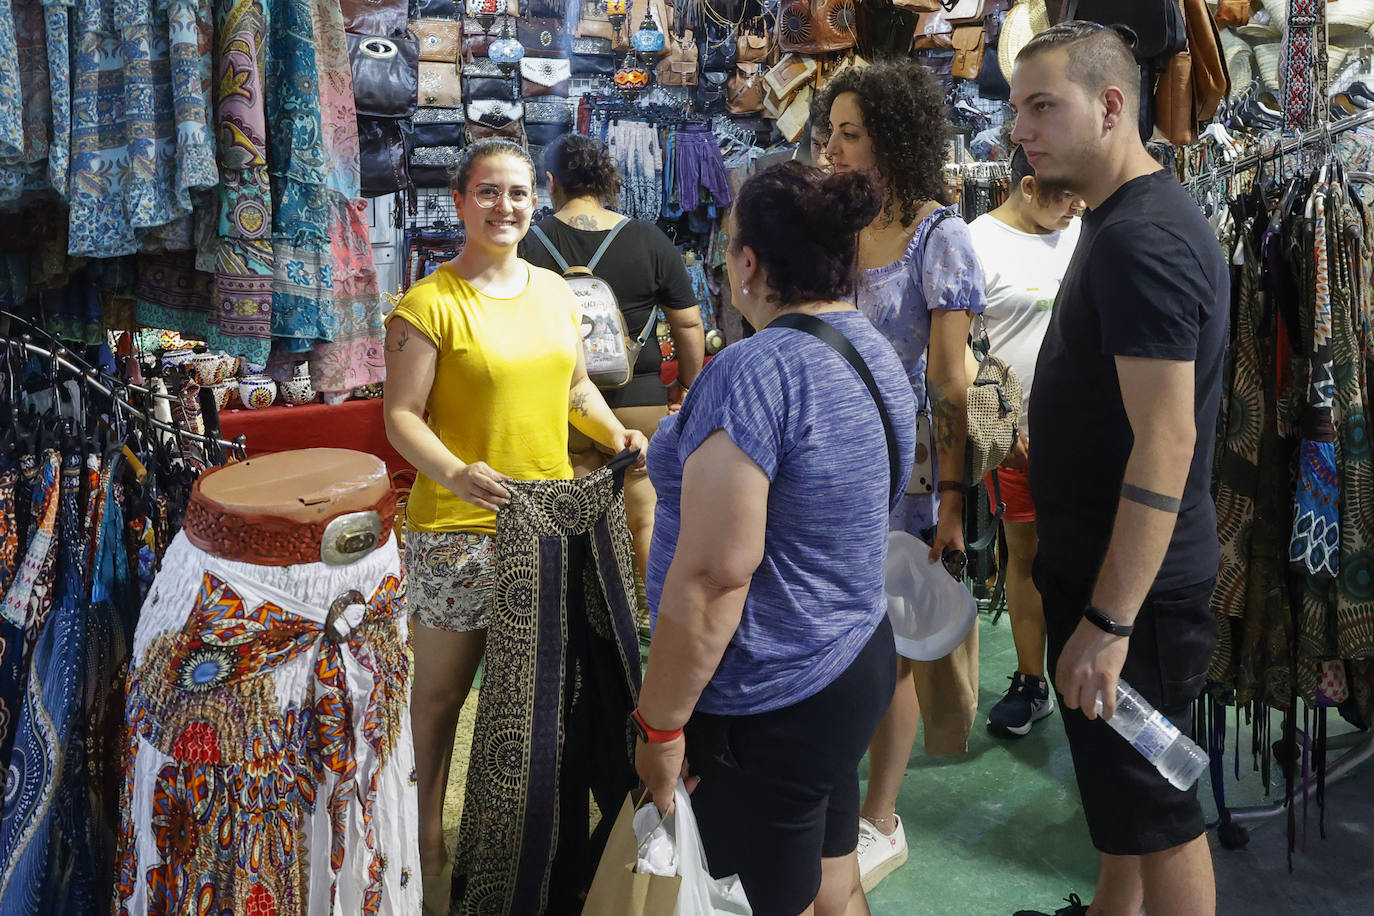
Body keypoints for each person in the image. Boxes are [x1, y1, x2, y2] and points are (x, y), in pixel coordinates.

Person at [633, 162, 916, 916]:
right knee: (833, 876)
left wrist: (659, 725)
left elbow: (715, 578)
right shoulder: (870, 348)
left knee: (765, 898)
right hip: (852, 654)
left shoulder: (756, 371)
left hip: (771, 692)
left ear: (748, 262)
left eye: (729, 248)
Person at [380, 138, 649, 916]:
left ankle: (533, 850)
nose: (505, 208)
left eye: (519, 194)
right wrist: (456, 472)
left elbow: (576, 393)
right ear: (460, 201)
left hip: (549, 526)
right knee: (440, 700)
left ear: (539, 202)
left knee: (543, 699)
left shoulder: (558, 293)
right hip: (460, 530)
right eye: (489, 193)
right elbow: (400, 417)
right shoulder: (428, 305)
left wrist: (615, 435)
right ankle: (426, 846)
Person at [1009, 22, 1227, 916]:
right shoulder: (1119, 218)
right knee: (1123, 804)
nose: (1021, 128)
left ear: (1110, 105)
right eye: (1017, 107)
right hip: (1108, 571)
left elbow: (1166, 439)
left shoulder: (1143, 238)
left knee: (1161, 812)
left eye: (1042, 107)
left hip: (1134, 588)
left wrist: (1109, 616)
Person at [822, 58, 988, 890]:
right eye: (833, 133)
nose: (836, 148)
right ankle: (841, 804)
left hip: (911, 478)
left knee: (894, 645)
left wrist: (953, 502)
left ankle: (880, 813)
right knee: (843, 633)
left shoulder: (938, 234)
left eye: (852, 134)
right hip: (832, 466)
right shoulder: (839, 228)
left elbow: (951, 380)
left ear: (893, 138)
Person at [519, 133, 704, 585]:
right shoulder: (648, 238)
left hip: (562, 405)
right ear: (605, 179)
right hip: (638, 397)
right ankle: (650, 611)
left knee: (574, 509)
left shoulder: (529, 242)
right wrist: (684, 384)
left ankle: (581, 614)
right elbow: (689, 324)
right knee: (646, 510)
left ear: (550, 181)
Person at [966, 145, 1083, 738]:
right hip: (1017, 439)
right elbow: (955, 345)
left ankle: (1088, 678)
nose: (1075, 207)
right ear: (1029, 187)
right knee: (1025, 556)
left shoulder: (1083, 233)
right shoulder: (975, 242)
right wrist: (1001, 430)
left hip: (1083, 438)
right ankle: (1032, 681)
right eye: (1065, 196)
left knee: (1088, 558)